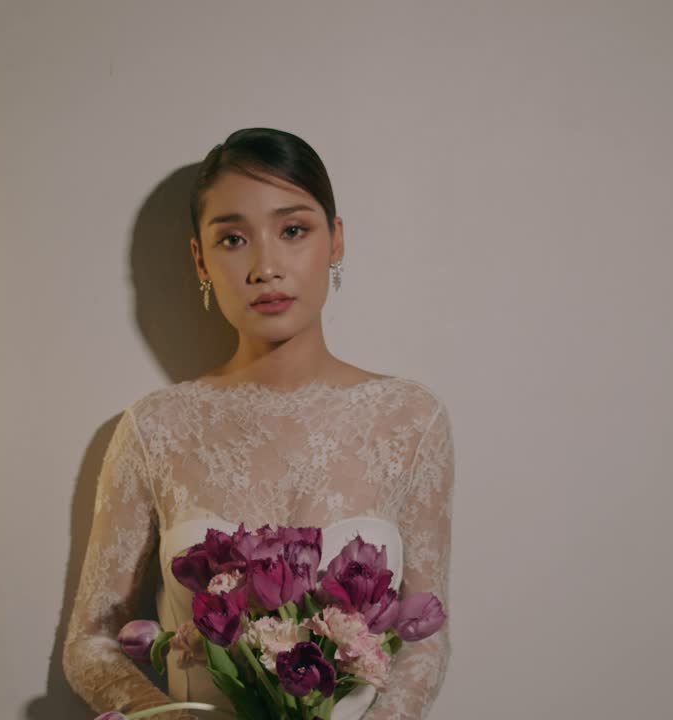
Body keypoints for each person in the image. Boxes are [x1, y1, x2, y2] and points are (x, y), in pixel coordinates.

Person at [63, 128, 454, 719]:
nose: (266, 266)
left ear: (336, 240)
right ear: (201, 257)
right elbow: (91, 641)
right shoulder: (156, 428)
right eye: (233, 239)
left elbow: (424, 636)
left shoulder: (410, 420)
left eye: (293, 230)